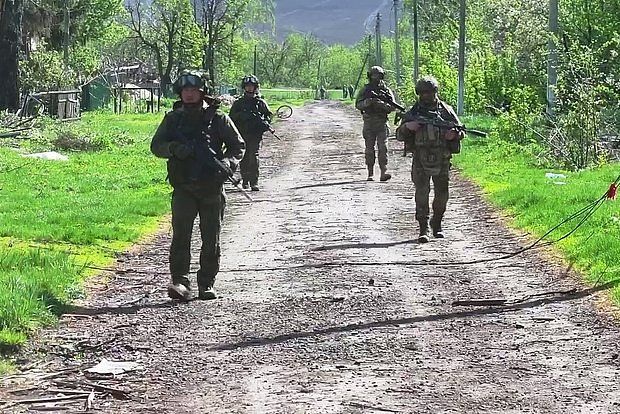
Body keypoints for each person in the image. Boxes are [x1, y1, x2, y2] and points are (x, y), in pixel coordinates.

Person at [150, 69, 245, 300]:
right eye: (185, 90)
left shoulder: (218, 119)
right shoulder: (173, 119)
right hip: (183, 188)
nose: (189, 94)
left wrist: (227, 164)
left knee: (211, 239)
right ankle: (180, 282)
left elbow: (238, 146)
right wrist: (174, 148)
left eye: (194, 90)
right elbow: (156, 146)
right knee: (181, 237)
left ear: (202, 92)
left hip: (211, 188)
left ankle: (206, 283)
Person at [396, 76, 464, 243]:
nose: (426, 96)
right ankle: (423, 227)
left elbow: (461, 130)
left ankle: (437, 222)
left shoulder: (446, 111)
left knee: (442, 194)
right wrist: (408, 127)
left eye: (429, 92)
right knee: (421, 193)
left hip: (442, 158)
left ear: (435, 92)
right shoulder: (414, 112)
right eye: (423, 93)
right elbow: (399, 135)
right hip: (420, 158)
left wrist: (454, 134)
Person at [229, 75, 273, 191]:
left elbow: (268, 116)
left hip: (255, 135)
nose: (249, 88)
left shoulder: (260, 103)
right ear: (244, 87)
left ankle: (254, 182)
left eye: (251, 86)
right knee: (244, 157)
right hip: (242, 134)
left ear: (255, 87)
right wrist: (242, 116)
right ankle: (245, 180)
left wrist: (264, 124)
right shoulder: (238, 103)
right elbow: (231, 118)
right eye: (247, 86)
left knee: (253, 156)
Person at [355, 65, 395, 182]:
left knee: (383, 148)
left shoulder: (386, 91)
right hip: (369, 123)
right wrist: (368, 102)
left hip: (382, 123)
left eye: (378, 75)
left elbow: (393, 106)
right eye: (374, 75)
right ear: (370, 76)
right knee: (369, 149)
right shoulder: (365, 90)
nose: (376, 78)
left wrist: (381, 104)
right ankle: (370, 173)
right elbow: (358, 104)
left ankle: (383, 171)